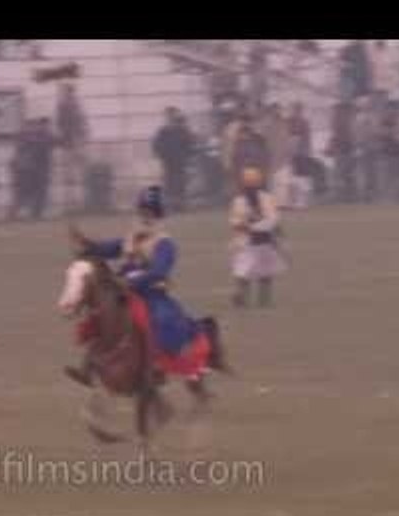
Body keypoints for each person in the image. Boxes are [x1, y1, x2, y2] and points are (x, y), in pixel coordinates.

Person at [66, 186, 211, 386]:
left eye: (151, 212)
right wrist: (87, 244)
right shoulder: (131, 237)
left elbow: (159, 272)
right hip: (122, 290)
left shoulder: (165, 244)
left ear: (158, 215)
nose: (146, 216)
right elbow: (107, 249)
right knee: (101, 314)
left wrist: (132, 281)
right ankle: (87, 368)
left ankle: (156, 366)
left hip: (151, 294)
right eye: (143, 211)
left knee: (161, 320)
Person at [229, 167, 286, 309]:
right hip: (246, 242)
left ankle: (264, 300)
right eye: (248, 185)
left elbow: (273, 219)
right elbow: (235, 222)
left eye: (252, 185)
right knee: (243, 272)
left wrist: (255, 226)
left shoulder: (267, 199)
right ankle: (242, 297)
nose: (250, 189)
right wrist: (245, 225)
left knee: (266, 272)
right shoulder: (239, 201)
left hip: (265, 241)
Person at [152, 108, 196, 213]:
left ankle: (181, 205)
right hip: (168, 163)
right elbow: (156, 146)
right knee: (169, 184)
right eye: (169, 117)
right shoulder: (163, 132)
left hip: (181, 163)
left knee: (181, 184)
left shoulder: (183, 131)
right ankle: (170, 206)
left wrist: (188, 157)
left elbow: (190, 144)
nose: (170, 119)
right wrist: (162, 155)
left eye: (172, 116)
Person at [56, 83, 89, 210]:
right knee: (68, 173)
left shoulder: (77, 106)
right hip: (68, 142)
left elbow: (82, 122)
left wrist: (82, 137)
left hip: (77, 141)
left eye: (70, 92)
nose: (69, 95)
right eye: (67, 92)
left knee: (81, 170)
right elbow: (60, 123)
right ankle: (70, 201)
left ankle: (81, 200)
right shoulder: (62, 106)